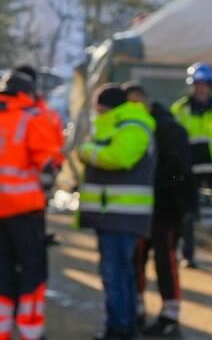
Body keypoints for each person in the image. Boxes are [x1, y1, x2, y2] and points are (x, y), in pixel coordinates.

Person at [0, 70, 63, 340]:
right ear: (26, 93)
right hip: (24, 207)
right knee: (31, 271)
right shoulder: (31, 117)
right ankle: (30, 331)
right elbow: (48, 165)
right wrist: (46, 189)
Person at [78, 84, 157, 340]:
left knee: (116, 275)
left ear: (106, 107)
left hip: (122, 217)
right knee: (121, 274)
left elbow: (120, 157)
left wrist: (86, 151)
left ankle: (119, 328)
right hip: (113, 216)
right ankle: (124, 326)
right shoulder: (118, 125)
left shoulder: (133, 126)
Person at [126, 82, 196, 337]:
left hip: (166, 208)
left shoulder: (168, 128)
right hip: (141, 207)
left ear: (145, 101)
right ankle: (138, 308)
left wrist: (157, 186)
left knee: (165, 260)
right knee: (138, 258)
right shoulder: (133, 128)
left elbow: (179, 171)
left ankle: (170, 314)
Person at [174, 61, 212, 268]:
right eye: (197, 83)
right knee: (187, 213)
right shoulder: (180, 109)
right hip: (189, 169)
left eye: (204, 83)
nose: (201, 87)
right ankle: (189, 254)